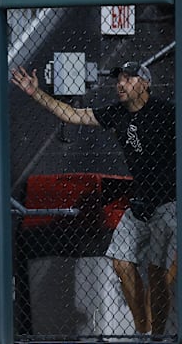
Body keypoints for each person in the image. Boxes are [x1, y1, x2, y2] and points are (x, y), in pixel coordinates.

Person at [11, 61, 177, 337]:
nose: (120, 84)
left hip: (169, 202)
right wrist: (36, 93)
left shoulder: (166, 113)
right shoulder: (116, 114)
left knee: (157, 272)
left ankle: (157, 337)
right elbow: (73, 115)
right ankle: (143, 333)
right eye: (119, 79)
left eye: (129, 79)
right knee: (121, 263)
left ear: (145, 84)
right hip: (140, 201)